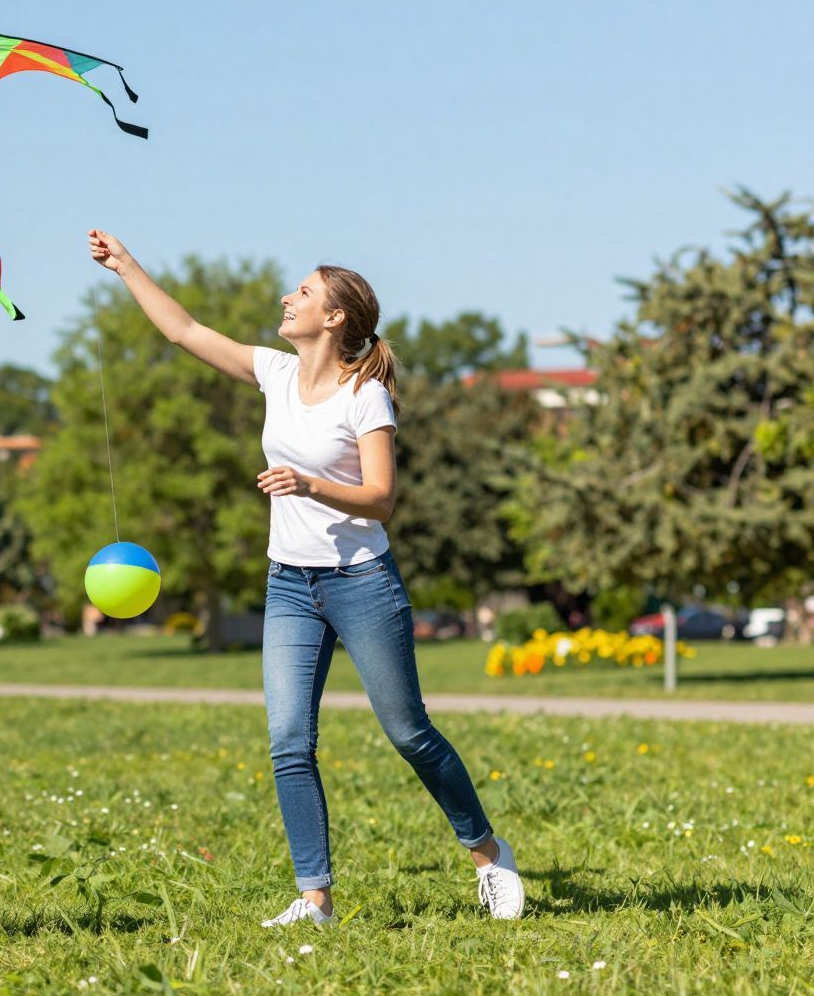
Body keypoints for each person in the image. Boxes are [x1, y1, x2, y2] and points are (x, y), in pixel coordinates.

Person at [87, 230, 524, 923]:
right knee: (290, 740)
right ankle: (314, 897)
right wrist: (126, 266)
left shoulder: (364, 397)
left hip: (361, 581)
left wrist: (310, 484)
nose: (288, 298)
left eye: (304, 291)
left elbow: (380, 498)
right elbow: (185, 331)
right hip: (290, 583)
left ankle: (488, 854)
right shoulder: (276, 372)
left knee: (408, 732)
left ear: (335, 318)